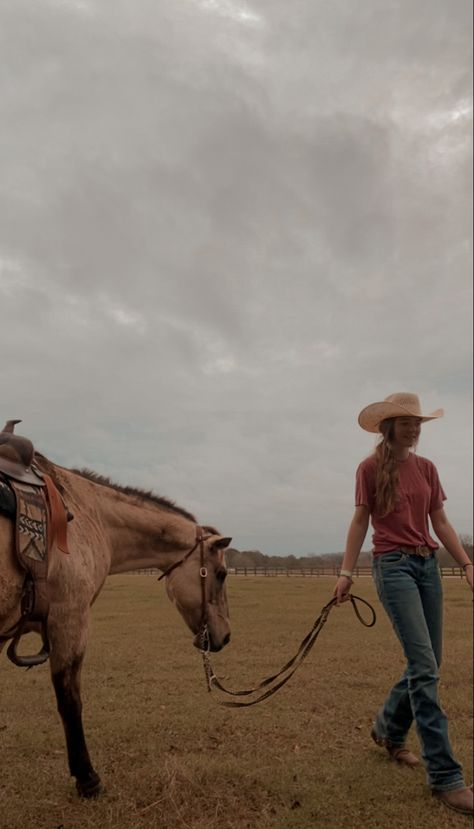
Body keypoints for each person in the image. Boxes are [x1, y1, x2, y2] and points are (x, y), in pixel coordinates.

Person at [334, 392, 473, 816]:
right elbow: (360, 520)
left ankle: (388, 731)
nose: (414, 429)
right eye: (407, 422)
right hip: (392, 567)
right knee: (425, 668)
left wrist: (467, 563)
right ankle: (446, 777)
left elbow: (440, 521)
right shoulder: (370, 468)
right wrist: (345, 572)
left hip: (427, 567)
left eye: (418, 423)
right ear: (388, 426)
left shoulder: (427, 468)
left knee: (427, 663)